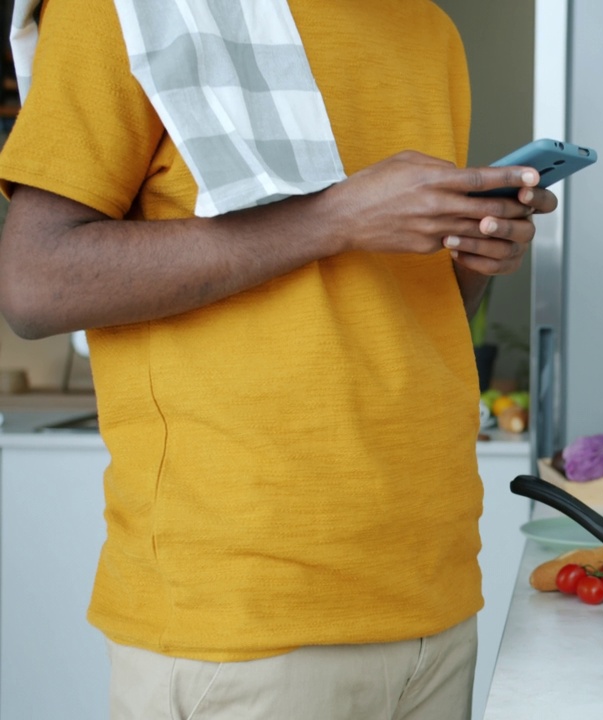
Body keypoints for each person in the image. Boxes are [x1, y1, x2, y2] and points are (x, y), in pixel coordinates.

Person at [0, 2, 554, 719]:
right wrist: (335, 216)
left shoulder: (429, 31)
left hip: (435, 595)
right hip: (245, 615)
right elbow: (35, 283)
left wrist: (475, 253)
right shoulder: (126, 11)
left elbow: (390, 309)